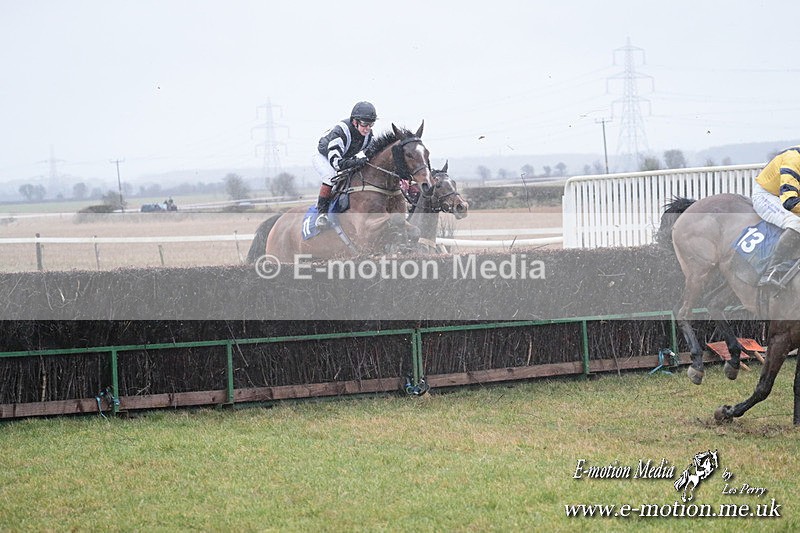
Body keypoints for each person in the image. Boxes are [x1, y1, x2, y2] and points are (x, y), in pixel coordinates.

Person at [312, 101, 377, 227]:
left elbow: (372, 156)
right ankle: (321, 214)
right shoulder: (341, 132)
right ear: (355, 122)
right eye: (365, 124)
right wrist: (357, 161)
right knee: (330, 177)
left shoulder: (368, 135)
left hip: (344, 156)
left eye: (371, 124)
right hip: (324, 157)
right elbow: (336, 163)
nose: (368, 128)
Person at [752, 145, 800, 287]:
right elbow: (789, 202)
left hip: (789, 197)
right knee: (796, 223)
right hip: (769, 196)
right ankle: (770, 272)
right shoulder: (793, 160)